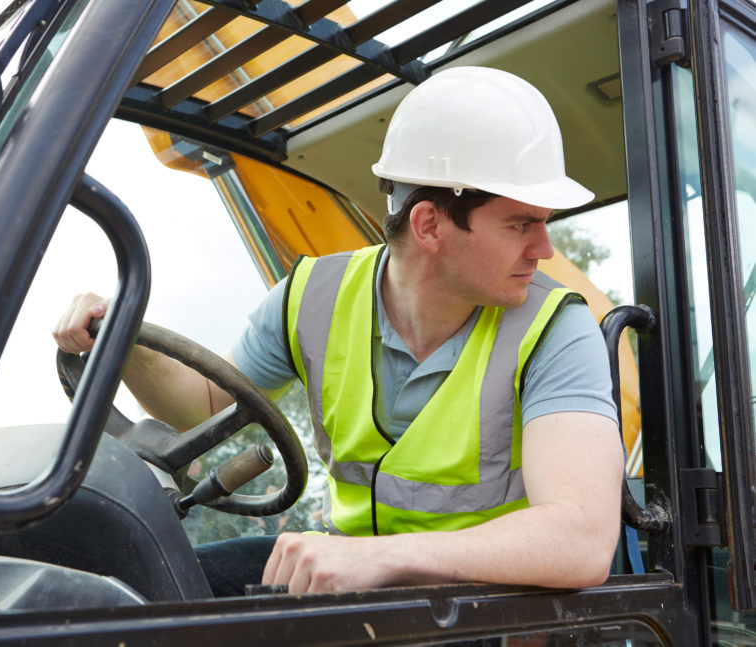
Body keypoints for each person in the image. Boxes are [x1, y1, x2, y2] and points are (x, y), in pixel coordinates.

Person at [53, 66, 623, 597]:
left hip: (490, 600)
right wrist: (124, 342)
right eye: (521, 225)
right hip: (358, 573)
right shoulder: (313, 297)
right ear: (429, 224)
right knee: (146, 588)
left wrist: (385, 557)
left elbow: (581, 540)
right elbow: (200, 409)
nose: (544, 250)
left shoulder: (557, 327)